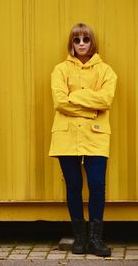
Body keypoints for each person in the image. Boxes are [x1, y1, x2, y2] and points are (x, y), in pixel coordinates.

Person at [49, 23, 117, 257]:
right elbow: (59, 102)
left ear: (91, 42)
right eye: (76, 40)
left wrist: (74, 98)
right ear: (71, 43)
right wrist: (90, 107)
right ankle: (80, 237)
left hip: (96, 135)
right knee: (74, 186)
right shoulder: (60, 70)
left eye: (85, 39)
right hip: (66, 136)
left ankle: (96, 240)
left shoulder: (107, 71)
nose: (81, 44)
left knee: (97, 186)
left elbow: (105, 100)